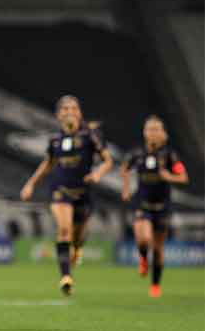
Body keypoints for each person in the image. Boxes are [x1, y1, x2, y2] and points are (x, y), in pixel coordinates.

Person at [20, 95, 113, 296]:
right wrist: (30, 184)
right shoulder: (55, 140)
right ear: (58, 114)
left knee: (78, 236)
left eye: (74, 108)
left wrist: (97, 173)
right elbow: (48, 164)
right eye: (65, 108)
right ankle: (66, 277)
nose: (69, 111)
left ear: (79, 113)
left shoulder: (90, 136)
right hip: (60, 189)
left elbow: (107, 161)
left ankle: (77, 249)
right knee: (64, 229)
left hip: (83, 192)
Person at [121, 115, 189, 297]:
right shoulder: (136, 154)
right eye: (149, 129)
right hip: (141, 203)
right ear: (144, 132)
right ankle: (143, 257)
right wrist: (126, 189)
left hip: (162, 206)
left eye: (156, 129)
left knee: (158, 248)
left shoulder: (169, 155)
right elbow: (124, 169)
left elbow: (183, 177)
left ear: (163, 133)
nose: (152, 133)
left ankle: (155, 285)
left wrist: (169, 176)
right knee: (143, 239)